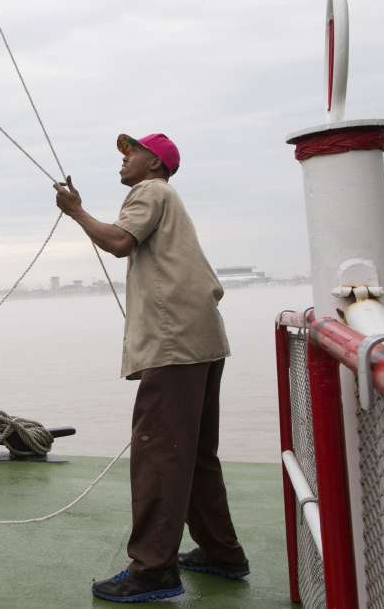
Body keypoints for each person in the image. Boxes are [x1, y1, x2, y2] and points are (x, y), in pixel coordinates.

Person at [54, 133, 249, 603]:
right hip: (200, 337)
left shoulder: (149, 191)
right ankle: (222, 554)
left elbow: (120, 241)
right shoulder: (167, 196)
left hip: (175, 343)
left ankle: (153, 569)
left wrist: (76, 211)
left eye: (133, 152)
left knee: (159, 454)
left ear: (156, 163)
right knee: (196, 453)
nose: (124, 159)